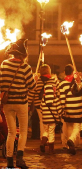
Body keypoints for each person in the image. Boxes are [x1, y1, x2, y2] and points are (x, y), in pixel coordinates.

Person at [0, 39, 37, 168]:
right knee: (23, 131)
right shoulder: (25, 67)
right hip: (21, 102)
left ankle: (10, 161)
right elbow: (32, 86)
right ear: (23, 54)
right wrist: (35, 79)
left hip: (7, 103)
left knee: (11, 132)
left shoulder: (4, 64)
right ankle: (20, 158)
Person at [58, 64, 82, 155]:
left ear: (65, 72)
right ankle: (72, 140)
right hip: (78, 107)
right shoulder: (77, 82)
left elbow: (62, 98)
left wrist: (62, 108)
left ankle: (70, 144)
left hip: (68, 108)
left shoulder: (62, 84)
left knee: (69, 126)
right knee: (77, 127)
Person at [37, 64, 60, 154]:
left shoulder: (38, 81)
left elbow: (35, 91)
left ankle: (42, 141)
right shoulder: (54, 80)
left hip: (41, 105)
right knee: (51, 131)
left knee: (43, 125)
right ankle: (51, 148)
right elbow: (58, 91)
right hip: (53, 105)